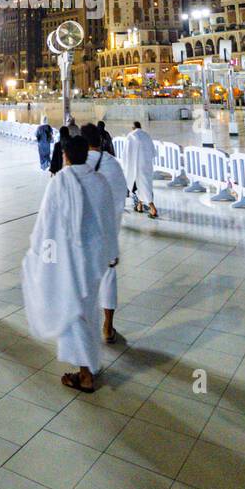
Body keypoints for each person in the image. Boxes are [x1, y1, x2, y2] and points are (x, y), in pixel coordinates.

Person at [21, 134, 118, 393]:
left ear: (65, 155)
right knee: (86, 309)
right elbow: (109, 219)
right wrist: (112, 252)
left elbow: (47, 222)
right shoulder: (99, 181)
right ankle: (89, 363)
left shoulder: (61, 182)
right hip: (93, 260)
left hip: (68, 261)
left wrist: (39, 252)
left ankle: (85, 375)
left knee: (74, 313)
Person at [83, 124, 127, 343]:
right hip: (108, 233)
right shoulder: (113, 165)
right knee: (108, 277)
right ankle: (107, 327)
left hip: (84, 235)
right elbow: (121, 197)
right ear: (101, 141)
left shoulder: (79, 165)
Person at [121, 120, 157, 218]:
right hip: (147, 166)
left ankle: (153, 209)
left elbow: (126, 154)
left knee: (142, 187)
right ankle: (139, 206)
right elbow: (154, 153)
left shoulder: (131, 136)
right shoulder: (147, 135)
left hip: (136, 167)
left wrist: (126, 166)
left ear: (132, 128)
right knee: (144, 186)